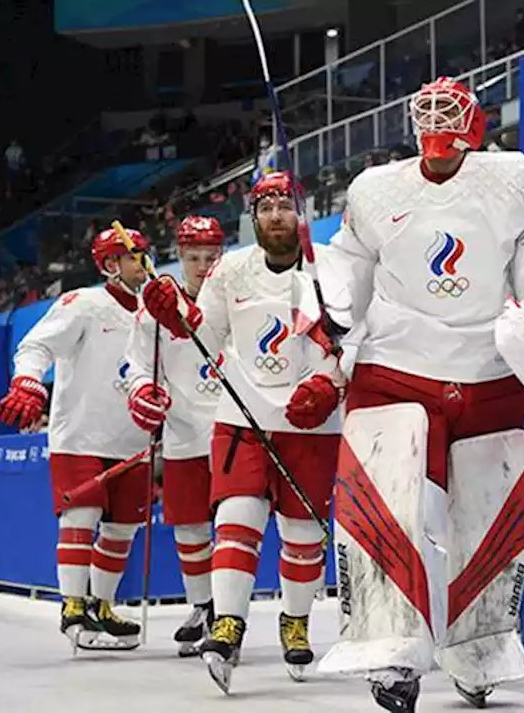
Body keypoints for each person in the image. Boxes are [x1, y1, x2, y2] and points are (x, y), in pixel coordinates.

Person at [310, 76, 524, 712]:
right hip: (395, 366)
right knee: (388, 504)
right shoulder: (375, 189)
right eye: (425, 115)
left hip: (489, 368)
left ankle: (479, 645)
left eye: (446, 115)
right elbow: (348, 261)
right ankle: (389, 649)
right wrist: (334, 306)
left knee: (488, 514)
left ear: (473, 127)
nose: (434, 132)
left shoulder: (515, 179)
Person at [140, 171, 342, 692]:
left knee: (301, 535)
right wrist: (173, 312)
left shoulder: (332, 269)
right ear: (253, 217)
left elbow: (356, 335)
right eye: (265, 206)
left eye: (285, 205)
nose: (276, 215)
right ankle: (228, 622)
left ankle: (295, 620)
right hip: (242, 418)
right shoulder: (230, 270)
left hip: (312, 425)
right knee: (236, 518)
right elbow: (201, 329)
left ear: (302, 212)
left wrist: (329, 385)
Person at [0, 228, 152, 652]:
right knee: (79, 518)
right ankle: (72, 606)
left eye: (144, 255)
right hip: (79, 436)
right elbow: (36, 345)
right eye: (133, 256)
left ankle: (102, 605)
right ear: (110, 264)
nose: (144, 263)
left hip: (133, 437)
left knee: (123, 528)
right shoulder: (82, 303)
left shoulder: (153, 314)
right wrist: (27, 382)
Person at [123, 215, 225, 656]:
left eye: (211, 257)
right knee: (189, 527)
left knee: (235, 525)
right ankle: (203, 606)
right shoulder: (156, 305)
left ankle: (228, 611)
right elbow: (139, 363)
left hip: (232, 429)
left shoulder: (234, 295)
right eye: (194, 258)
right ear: (179, 257)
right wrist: (144, 390)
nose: (203, 266)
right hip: (184, 433)